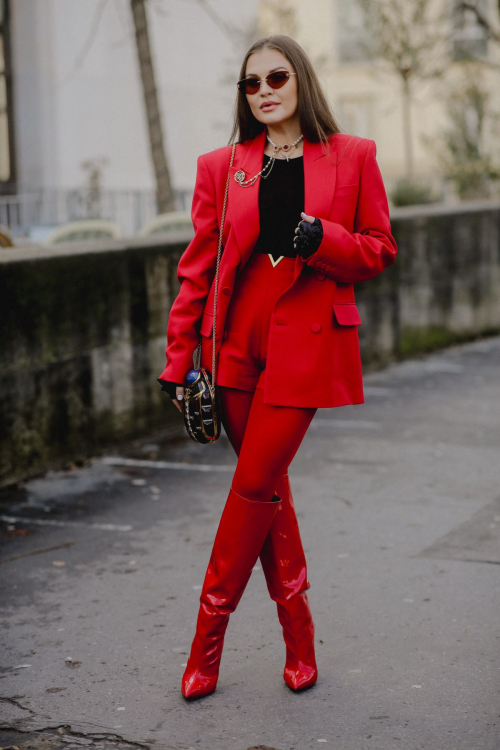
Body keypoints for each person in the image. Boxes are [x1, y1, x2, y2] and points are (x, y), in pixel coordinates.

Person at [158, 34, 397, 700]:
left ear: (301, 82)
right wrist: (179, 361)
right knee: (268, 493)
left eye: (276, 78)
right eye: (251, 84)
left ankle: (206, 644)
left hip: (306, 345)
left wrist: (324, 238)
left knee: (251, 486)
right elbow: (197, 270)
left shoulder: (353, 157)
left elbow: (380, 248)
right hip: (234, 345)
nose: (263, 91)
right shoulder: (222, 165)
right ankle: (299, 637)